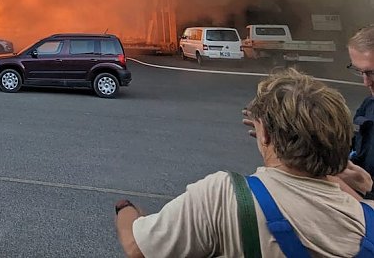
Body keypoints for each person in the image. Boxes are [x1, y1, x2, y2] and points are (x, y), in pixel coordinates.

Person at [115, 69, 371, 258]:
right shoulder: (366, 213)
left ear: (266, 135)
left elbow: (138, 248)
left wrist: (127, 212)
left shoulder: (225, 196)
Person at [346, 25, 374, 198]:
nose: (366, 82)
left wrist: (368, 188)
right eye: (360, 72)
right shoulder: (369, 106)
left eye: (372, 73)